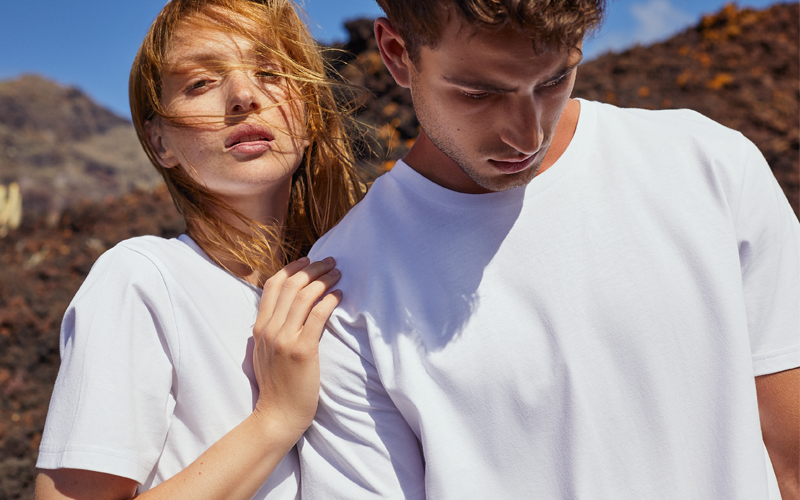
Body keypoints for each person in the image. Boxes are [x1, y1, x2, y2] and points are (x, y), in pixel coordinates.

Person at [297, 0, 800, 498]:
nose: (527, 135)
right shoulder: (341, 287)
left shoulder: (712, 167)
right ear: (396, 53)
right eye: (478, 93)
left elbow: (792, 466)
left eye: (555, 80)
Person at [34, 0, 364, 498]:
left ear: (311, 114)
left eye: (271, 72)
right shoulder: (142, 278)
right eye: (200, 83)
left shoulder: (356, 281)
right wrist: (276, 418)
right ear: (159, 141)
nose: (245, 96)